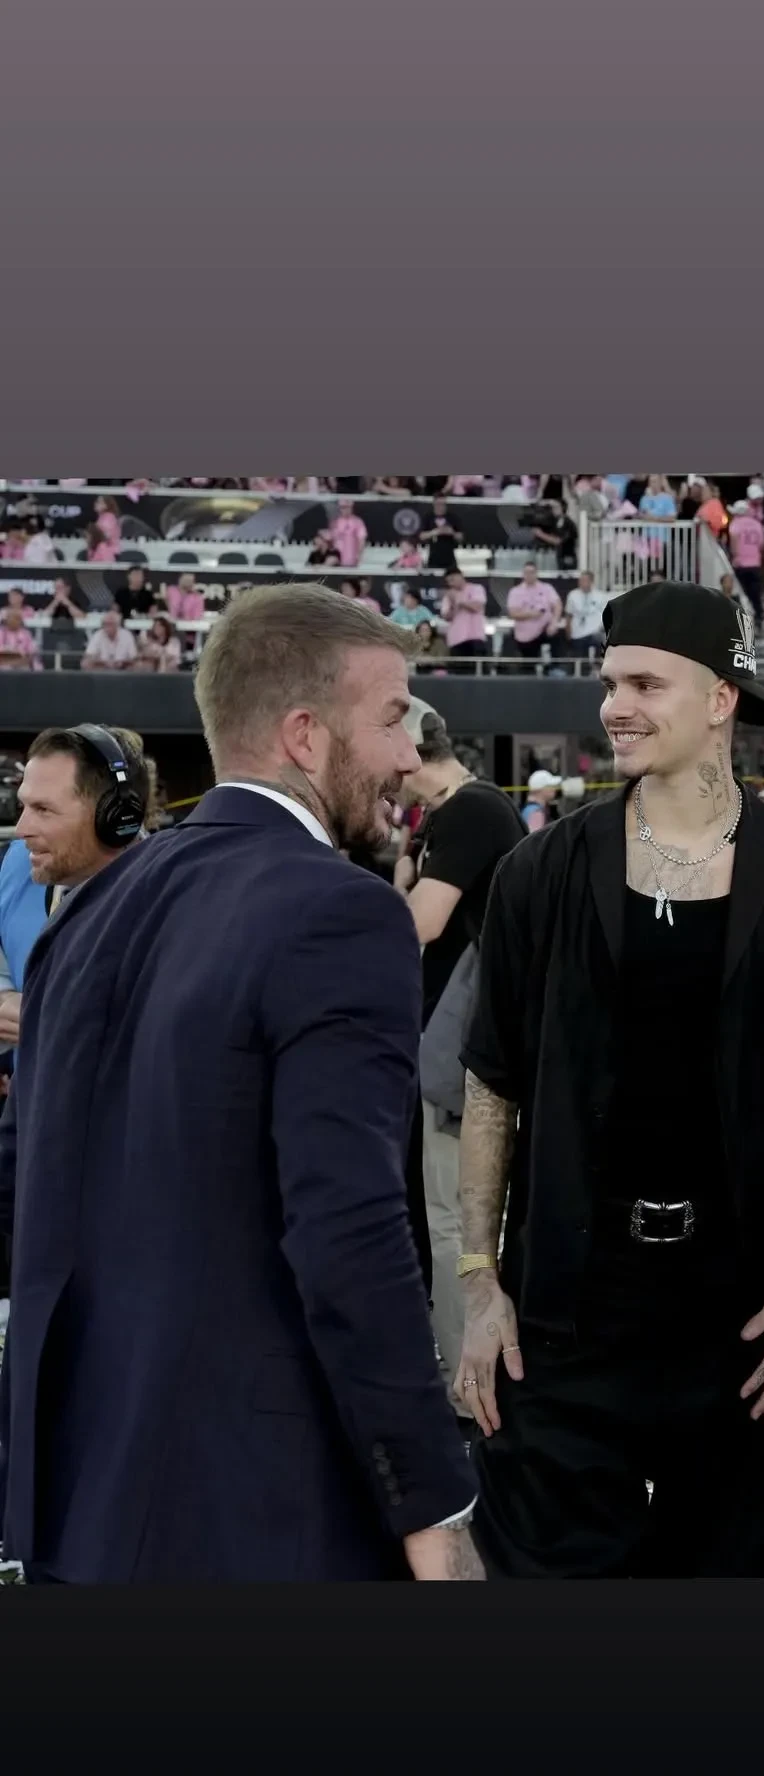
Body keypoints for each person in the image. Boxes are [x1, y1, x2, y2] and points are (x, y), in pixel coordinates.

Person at [0, 585, 482, 1582]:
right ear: (305, 734)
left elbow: (26, 1197)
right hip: (257, 1514)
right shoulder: (344, 913)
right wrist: (433, 1505)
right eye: (393, 717)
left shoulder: (87, 911)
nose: (409, 754)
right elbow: (348, 1230)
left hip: (77, 1512)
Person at [455, 582, 764, 1578]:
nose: (616, 706)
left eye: (646, 684)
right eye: (610, 683)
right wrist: (480, 1283)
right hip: (565, 1308)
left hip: (739, 1312)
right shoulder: (540, 873)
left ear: (722, 698)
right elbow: (491, 1085)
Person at [391, 704, 526, 1421]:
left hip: (462, 1053)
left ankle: (465, 1388)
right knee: (436, 1216)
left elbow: (419, 922)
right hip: (448, 1045)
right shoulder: (451, 813)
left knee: (451, 1222)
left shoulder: (473, 811)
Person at [0, 727, 152, 1057]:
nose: (22, 829)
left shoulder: (177, 904)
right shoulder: (18, 862)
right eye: (24, 806)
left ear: (113, 816)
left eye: (43, 810)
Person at [505, 562, 562, 664]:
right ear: (523, 574)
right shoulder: (515, 591)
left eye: (532, 572)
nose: (529, 575)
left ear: (536, 573)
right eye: (527, 572)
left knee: (555, 637)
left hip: (545, 630)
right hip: (525, 636)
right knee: (529, 663)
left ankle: (553, 667)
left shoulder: (547, 588)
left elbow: (557, 604)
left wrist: (554, 622)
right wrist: (531, 614)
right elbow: (513, 614)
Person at [563, 570, 608, 662]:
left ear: (591, 581)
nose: (581, 583)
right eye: (580, 580)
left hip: (595, 631)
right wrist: (568, 632)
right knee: (581, 660)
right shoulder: (573, 595)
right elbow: (568, 615)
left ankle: (598, 665)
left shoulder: (601, 596)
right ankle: (583, 667)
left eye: (584, 580)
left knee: (602, 640)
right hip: (578, 632)